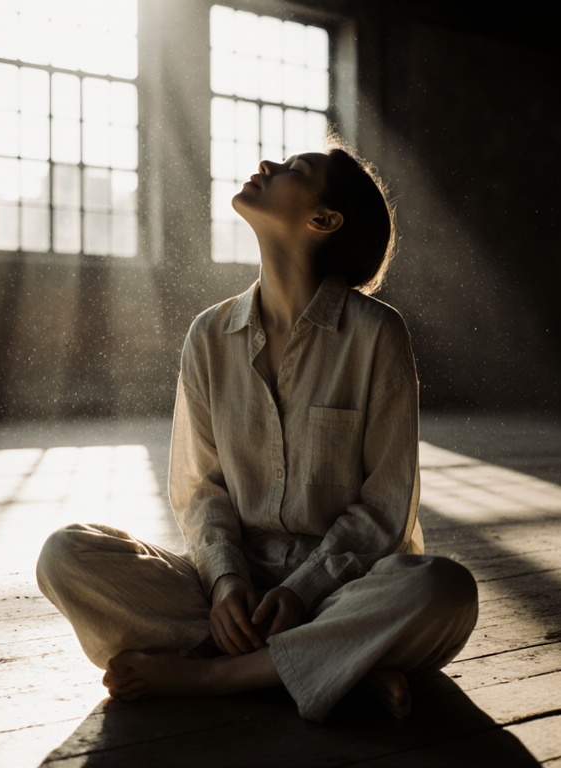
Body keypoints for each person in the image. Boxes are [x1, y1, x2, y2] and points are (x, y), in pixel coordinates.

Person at [36, 135, 479, 722]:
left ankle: (219, 676)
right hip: (236, 592)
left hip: (343, 590)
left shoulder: (377, 337)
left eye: (296, 169)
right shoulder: (208, 336)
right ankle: (335, 668)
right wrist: (223, 583)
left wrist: (302, 592)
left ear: (323, 219)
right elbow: (201, 490)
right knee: (64, 555)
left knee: (443, 591)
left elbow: (385, 506)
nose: (268, 165)